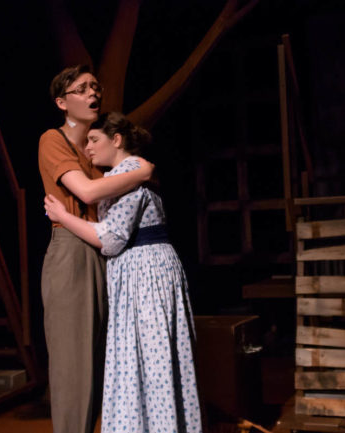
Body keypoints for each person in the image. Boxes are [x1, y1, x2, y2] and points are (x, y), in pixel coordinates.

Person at [44, 112, 202, 433]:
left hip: (145, 274)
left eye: (94, 140)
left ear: (116, 140)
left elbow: (111, 240)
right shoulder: (128, 174)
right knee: (144, 362)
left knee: (149, 364)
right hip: (143, 271)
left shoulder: (128, 172)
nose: (88, 148)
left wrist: (63, 216)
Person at [38, 66, 154, 433]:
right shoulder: (52, 139)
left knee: (103, 361)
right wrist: (142, 171)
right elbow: (86, 193)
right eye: (81, 89)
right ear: (62, 102)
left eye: (95, 87)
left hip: (105, 248)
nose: (93, 94)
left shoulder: (95, 146)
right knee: (73, 365)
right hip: (72, 249)